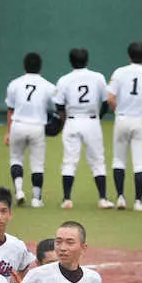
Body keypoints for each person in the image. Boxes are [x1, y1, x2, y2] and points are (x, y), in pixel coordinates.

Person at [54, 48, 113, 210]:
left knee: (69, 161)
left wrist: (66, 120)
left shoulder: (64, 80)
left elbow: (59, 105)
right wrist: (97, 118)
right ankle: (102, 199)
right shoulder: (98, 77)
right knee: (98, 161)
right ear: (87, 60)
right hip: (92, 121)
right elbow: (106, 103)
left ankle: (66, 199)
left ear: (71, 61)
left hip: (72, 120)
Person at [108, 42, 142, 211]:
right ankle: (138, 201)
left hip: (122, 118)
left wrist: (118, 112)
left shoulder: (119, 72)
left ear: (129, 55)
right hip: (141, 121)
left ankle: (120, 198)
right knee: (140, 163)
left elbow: (110, 98)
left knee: (118, 160)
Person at [4, 52, 57, 207]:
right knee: (37, 164)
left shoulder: (14, 83)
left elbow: (10, 110)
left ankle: (19, 191)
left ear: (24, 66)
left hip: (18, 124)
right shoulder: (48, 86)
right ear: (40, 67)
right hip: (37, 126)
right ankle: (36, 198)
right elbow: (56, 108)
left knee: (16, 159)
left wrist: (8, 131)